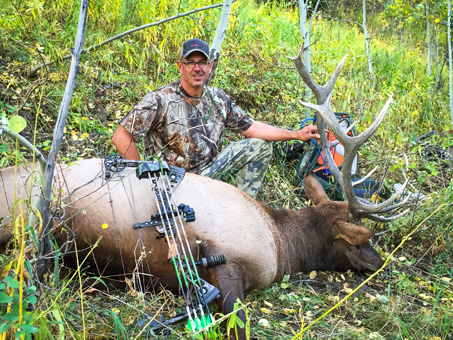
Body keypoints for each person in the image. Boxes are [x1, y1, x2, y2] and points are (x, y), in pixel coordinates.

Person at [112, 38, 320, 198]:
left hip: (209, 174)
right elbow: (121, 137)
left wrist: (295, 134)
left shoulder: (218, 99)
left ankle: (242, 206)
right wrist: (143, 174)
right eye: (190, 62)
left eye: (202, 62)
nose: (197, 68)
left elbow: (252, 128)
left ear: (210, 66)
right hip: (172, 181)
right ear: (180, 66)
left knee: (261, 146)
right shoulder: (160, 99)